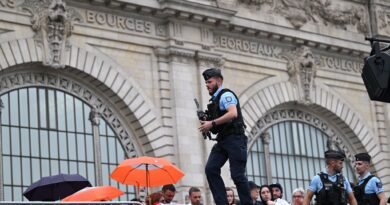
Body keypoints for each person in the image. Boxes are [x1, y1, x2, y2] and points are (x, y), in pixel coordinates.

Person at [199, 68, 252, 205]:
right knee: (211, 169)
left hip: (235, 138)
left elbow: (233, 113)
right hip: (223, 140)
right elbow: (217, 125)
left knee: (237, 175)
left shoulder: (225, 95)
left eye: (209, 82)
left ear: (219, 81)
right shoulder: (214, 101)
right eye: (206, 83)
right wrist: (208, 126)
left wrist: (211, 123)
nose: (207, 85)